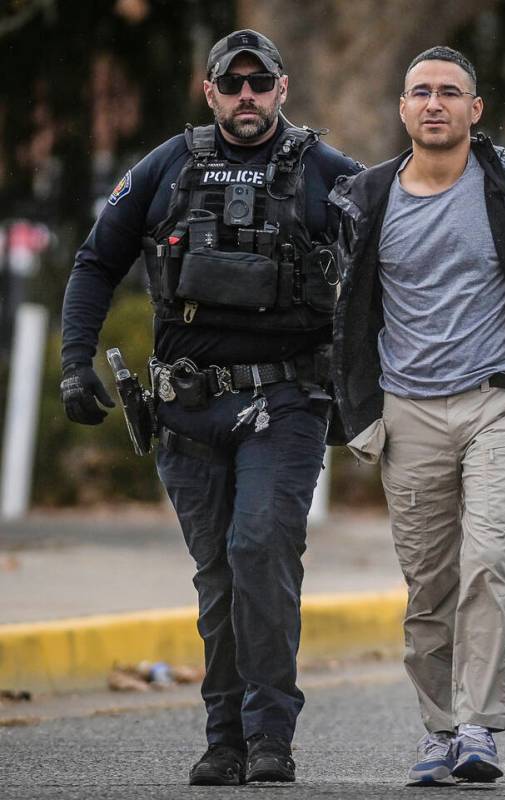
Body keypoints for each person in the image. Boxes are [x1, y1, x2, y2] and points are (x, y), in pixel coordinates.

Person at [59, 29, 362, 786]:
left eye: (261, 84)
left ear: (284, 90)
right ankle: (224, 738)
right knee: (219, 575)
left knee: (259, 550)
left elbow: (396, 263)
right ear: (211, 92)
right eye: (234, 84)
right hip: (185, 409)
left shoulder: (330, 173)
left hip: (286, 400)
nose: (248, 97)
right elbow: (97, 261)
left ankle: (269, 737)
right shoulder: (166, 166)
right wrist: (74, 365)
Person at [328, 46, 505, 786]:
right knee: (428, 582)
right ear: (401, 110)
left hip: (497, 401)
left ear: (476, 110)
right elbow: (347, 310)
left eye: (450, 92)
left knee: (488, 563)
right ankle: (438, 730)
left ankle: (478, 726)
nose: (434, 103)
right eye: (420, 93)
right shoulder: (363, 200)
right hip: (408, 411)